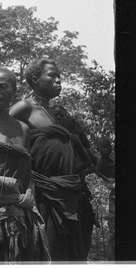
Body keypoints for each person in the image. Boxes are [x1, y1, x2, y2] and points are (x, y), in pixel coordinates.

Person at [0, 68, 49, 261]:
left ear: (13, 90)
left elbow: (27, 173)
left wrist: (31, 207)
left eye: (3, 86)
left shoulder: (23, 129)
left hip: (20, 210)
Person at [10, 58, 85, 261]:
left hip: (62, 191)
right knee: (45, 247)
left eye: (59, 76)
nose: (59, 80)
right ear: (35, 79)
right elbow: (1, 129)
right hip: (41, 191)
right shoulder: (24, 107)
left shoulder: (50, 111)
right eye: (52, 75)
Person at [51, 104, 98, 258]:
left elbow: (94, 162)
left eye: (61, 115)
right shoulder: (48, 138)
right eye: (55, 115)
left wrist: (80, 172)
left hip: (77, 188)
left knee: (82, 228)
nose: (58, 118)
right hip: (55, 188)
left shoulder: (74, 139)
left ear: (66, 117)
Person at [95, 137, 115, 260]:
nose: (105, 150)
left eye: (107, 148)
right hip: (111, 183)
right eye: (103, 148)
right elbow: (97, 172)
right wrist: (107, 179)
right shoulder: (101, 161)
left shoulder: (111, 160)